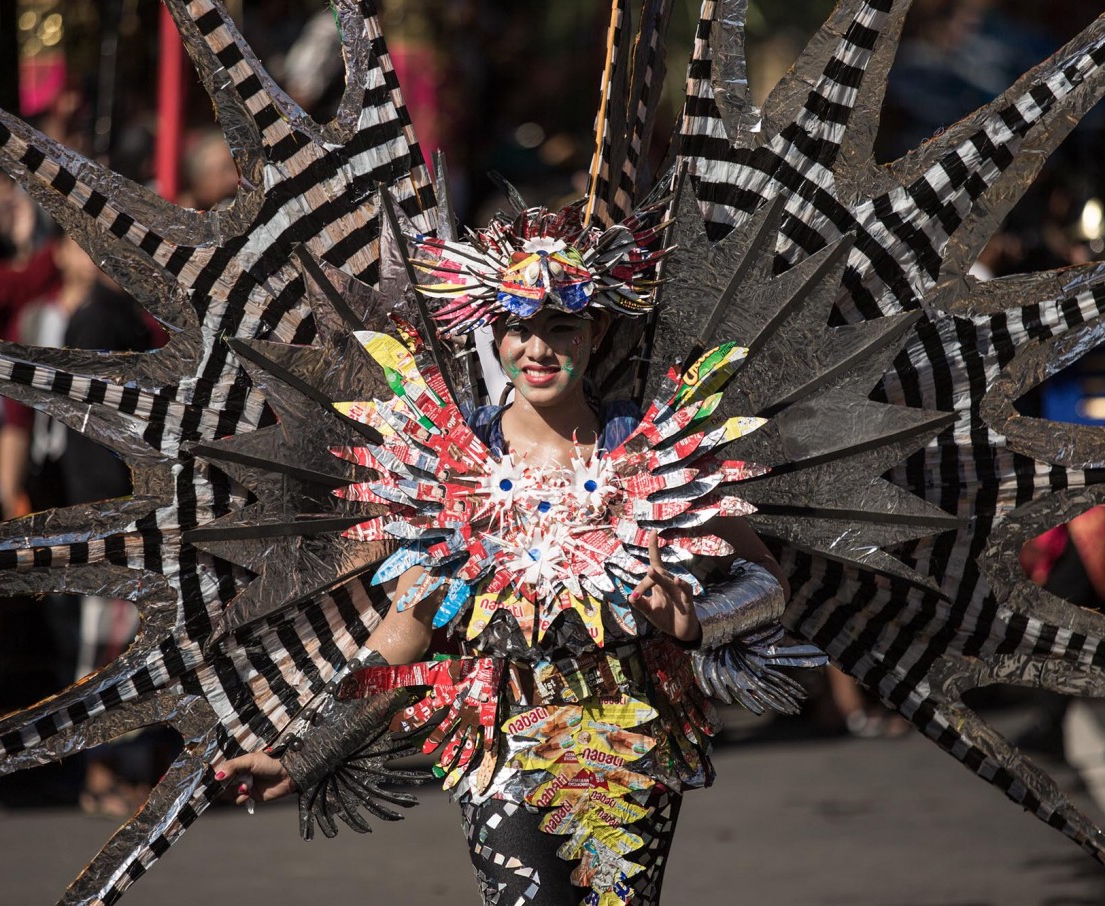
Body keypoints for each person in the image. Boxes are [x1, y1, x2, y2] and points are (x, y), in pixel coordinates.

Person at [216, 206, 798, 905]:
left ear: (598, 330)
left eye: (561, 327)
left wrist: (695, 620)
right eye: (519, 329)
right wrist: (309, 752)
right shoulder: (450, 467)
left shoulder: (656, 451)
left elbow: (765, 582)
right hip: (503, 746)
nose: (538, 349)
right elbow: (405, 633)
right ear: (493, 335)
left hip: (633, 735)